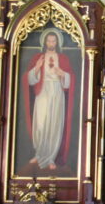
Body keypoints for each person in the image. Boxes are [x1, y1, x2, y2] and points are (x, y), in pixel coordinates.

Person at [24, 28, 74, 171]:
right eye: (49, 40)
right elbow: (29, 79)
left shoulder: (63, 59)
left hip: (57, 91)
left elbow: (71, 79)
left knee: (54, 124)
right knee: (41, 123)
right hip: (43, 91)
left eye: (54, 40)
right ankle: (40, 154)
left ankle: (50, 157)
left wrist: (62, 74)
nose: (51, 43)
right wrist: (37, 68)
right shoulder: (38, 58)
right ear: (45, 42)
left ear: (57, 42)